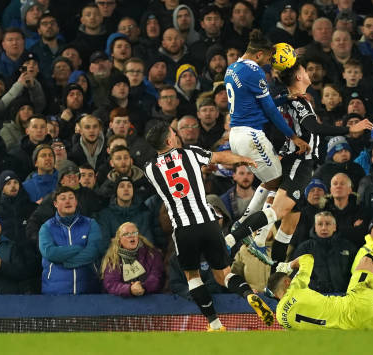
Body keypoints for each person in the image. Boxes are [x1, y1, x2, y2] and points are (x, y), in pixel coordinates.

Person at [224, 60, 371, 266]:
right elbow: (314, 127)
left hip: (296, 160)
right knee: (278, 211)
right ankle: (232, 238)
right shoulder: (298, 102)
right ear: (299, 77)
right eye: (304, 69)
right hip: (299, 162)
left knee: (292, 217)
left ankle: (277, 268)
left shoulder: (286, 98)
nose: (308, 72)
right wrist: (350, 129)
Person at [144, 121, 275, 331]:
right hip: (208, 222)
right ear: (170, 140)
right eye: (173, 133)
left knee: (192, 277)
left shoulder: (150, 169)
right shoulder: (190, 153)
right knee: (224, 272)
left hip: (184, 228)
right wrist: (243, 159)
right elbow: (220, 157)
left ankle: (215, 324)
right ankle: (249, 295)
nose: (176, 135)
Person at [224, 29, 310, 243]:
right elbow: (270, 112)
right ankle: (258, 237)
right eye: (269, 58)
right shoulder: (255, 72)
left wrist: (284, 97)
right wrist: (293, 136)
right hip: (251, 136)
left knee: (269, 181)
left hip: (235, 135)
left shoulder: (232, 68)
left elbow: (263, 104)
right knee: (281, 187)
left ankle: (243, 224)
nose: (270, 63)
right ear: (260, 54)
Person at [38, 186, 102, 295]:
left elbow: (93, 251)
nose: (68, 201)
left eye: (71, 197)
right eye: (63, 198)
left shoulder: (91, 223)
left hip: (89, 290)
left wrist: (66, 262)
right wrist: (78, 248)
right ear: (55, 204)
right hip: (55, 292)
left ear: (76, 202)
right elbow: (49, 252)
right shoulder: (46, 227)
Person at [291, 211, 357, 293]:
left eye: (328, 224)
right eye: (320, 224)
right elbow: (296, 275)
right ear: (315, 227)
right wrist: (316, 288)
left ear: (335, 227)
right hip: (314, 298)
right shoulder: (304, 249)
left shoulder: (348, 247)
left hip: (343, 297)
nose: (324, 228)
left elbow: (356, 273)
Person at [101, 222, 164, 297]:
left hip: (150, 299)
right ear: (119, 240)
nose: (131, 236)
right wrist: (129, 289)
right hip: (123, 302)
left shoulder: (153, 254)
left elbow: (157, 276)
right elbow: (111, 283)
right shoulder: (113, 259)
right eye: (126, 234)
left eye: (134, 233)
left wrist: (143, 287)